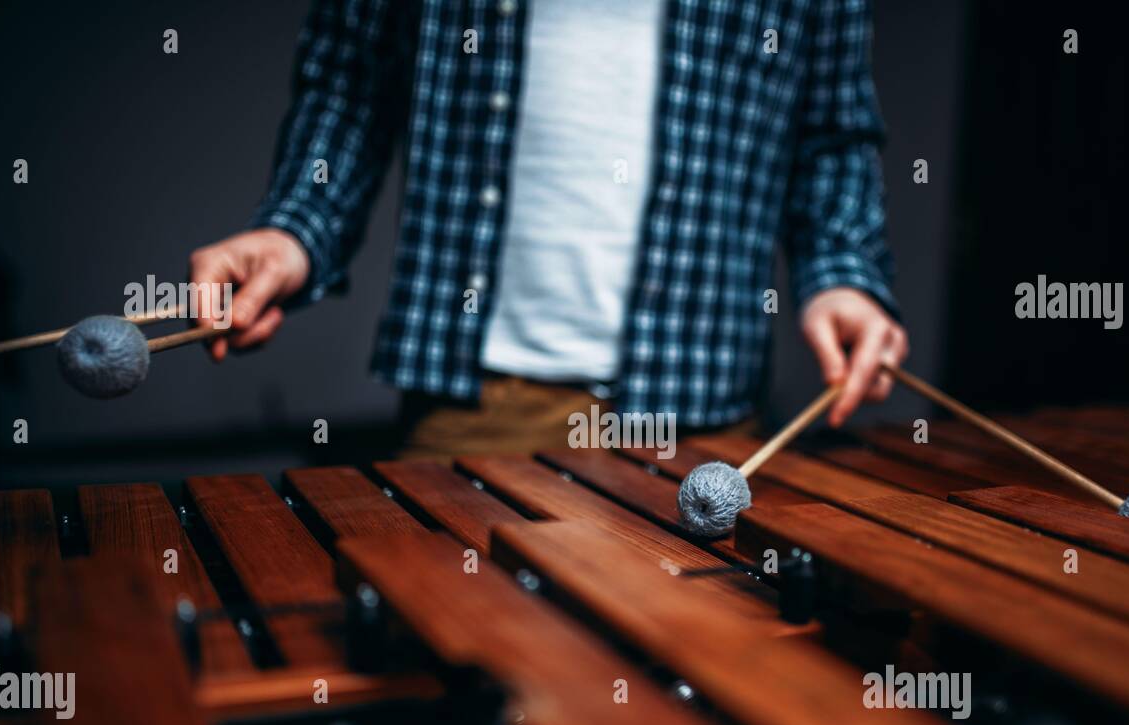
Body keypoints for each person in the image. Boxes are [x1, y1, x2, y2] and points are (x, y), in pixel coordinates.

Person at [188, 0, 907, 457]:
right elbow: (352, 80)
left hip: (706, 408)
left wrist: (842, 272)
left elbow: (831, 129)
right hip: (482, 407)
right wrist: (295, 228)